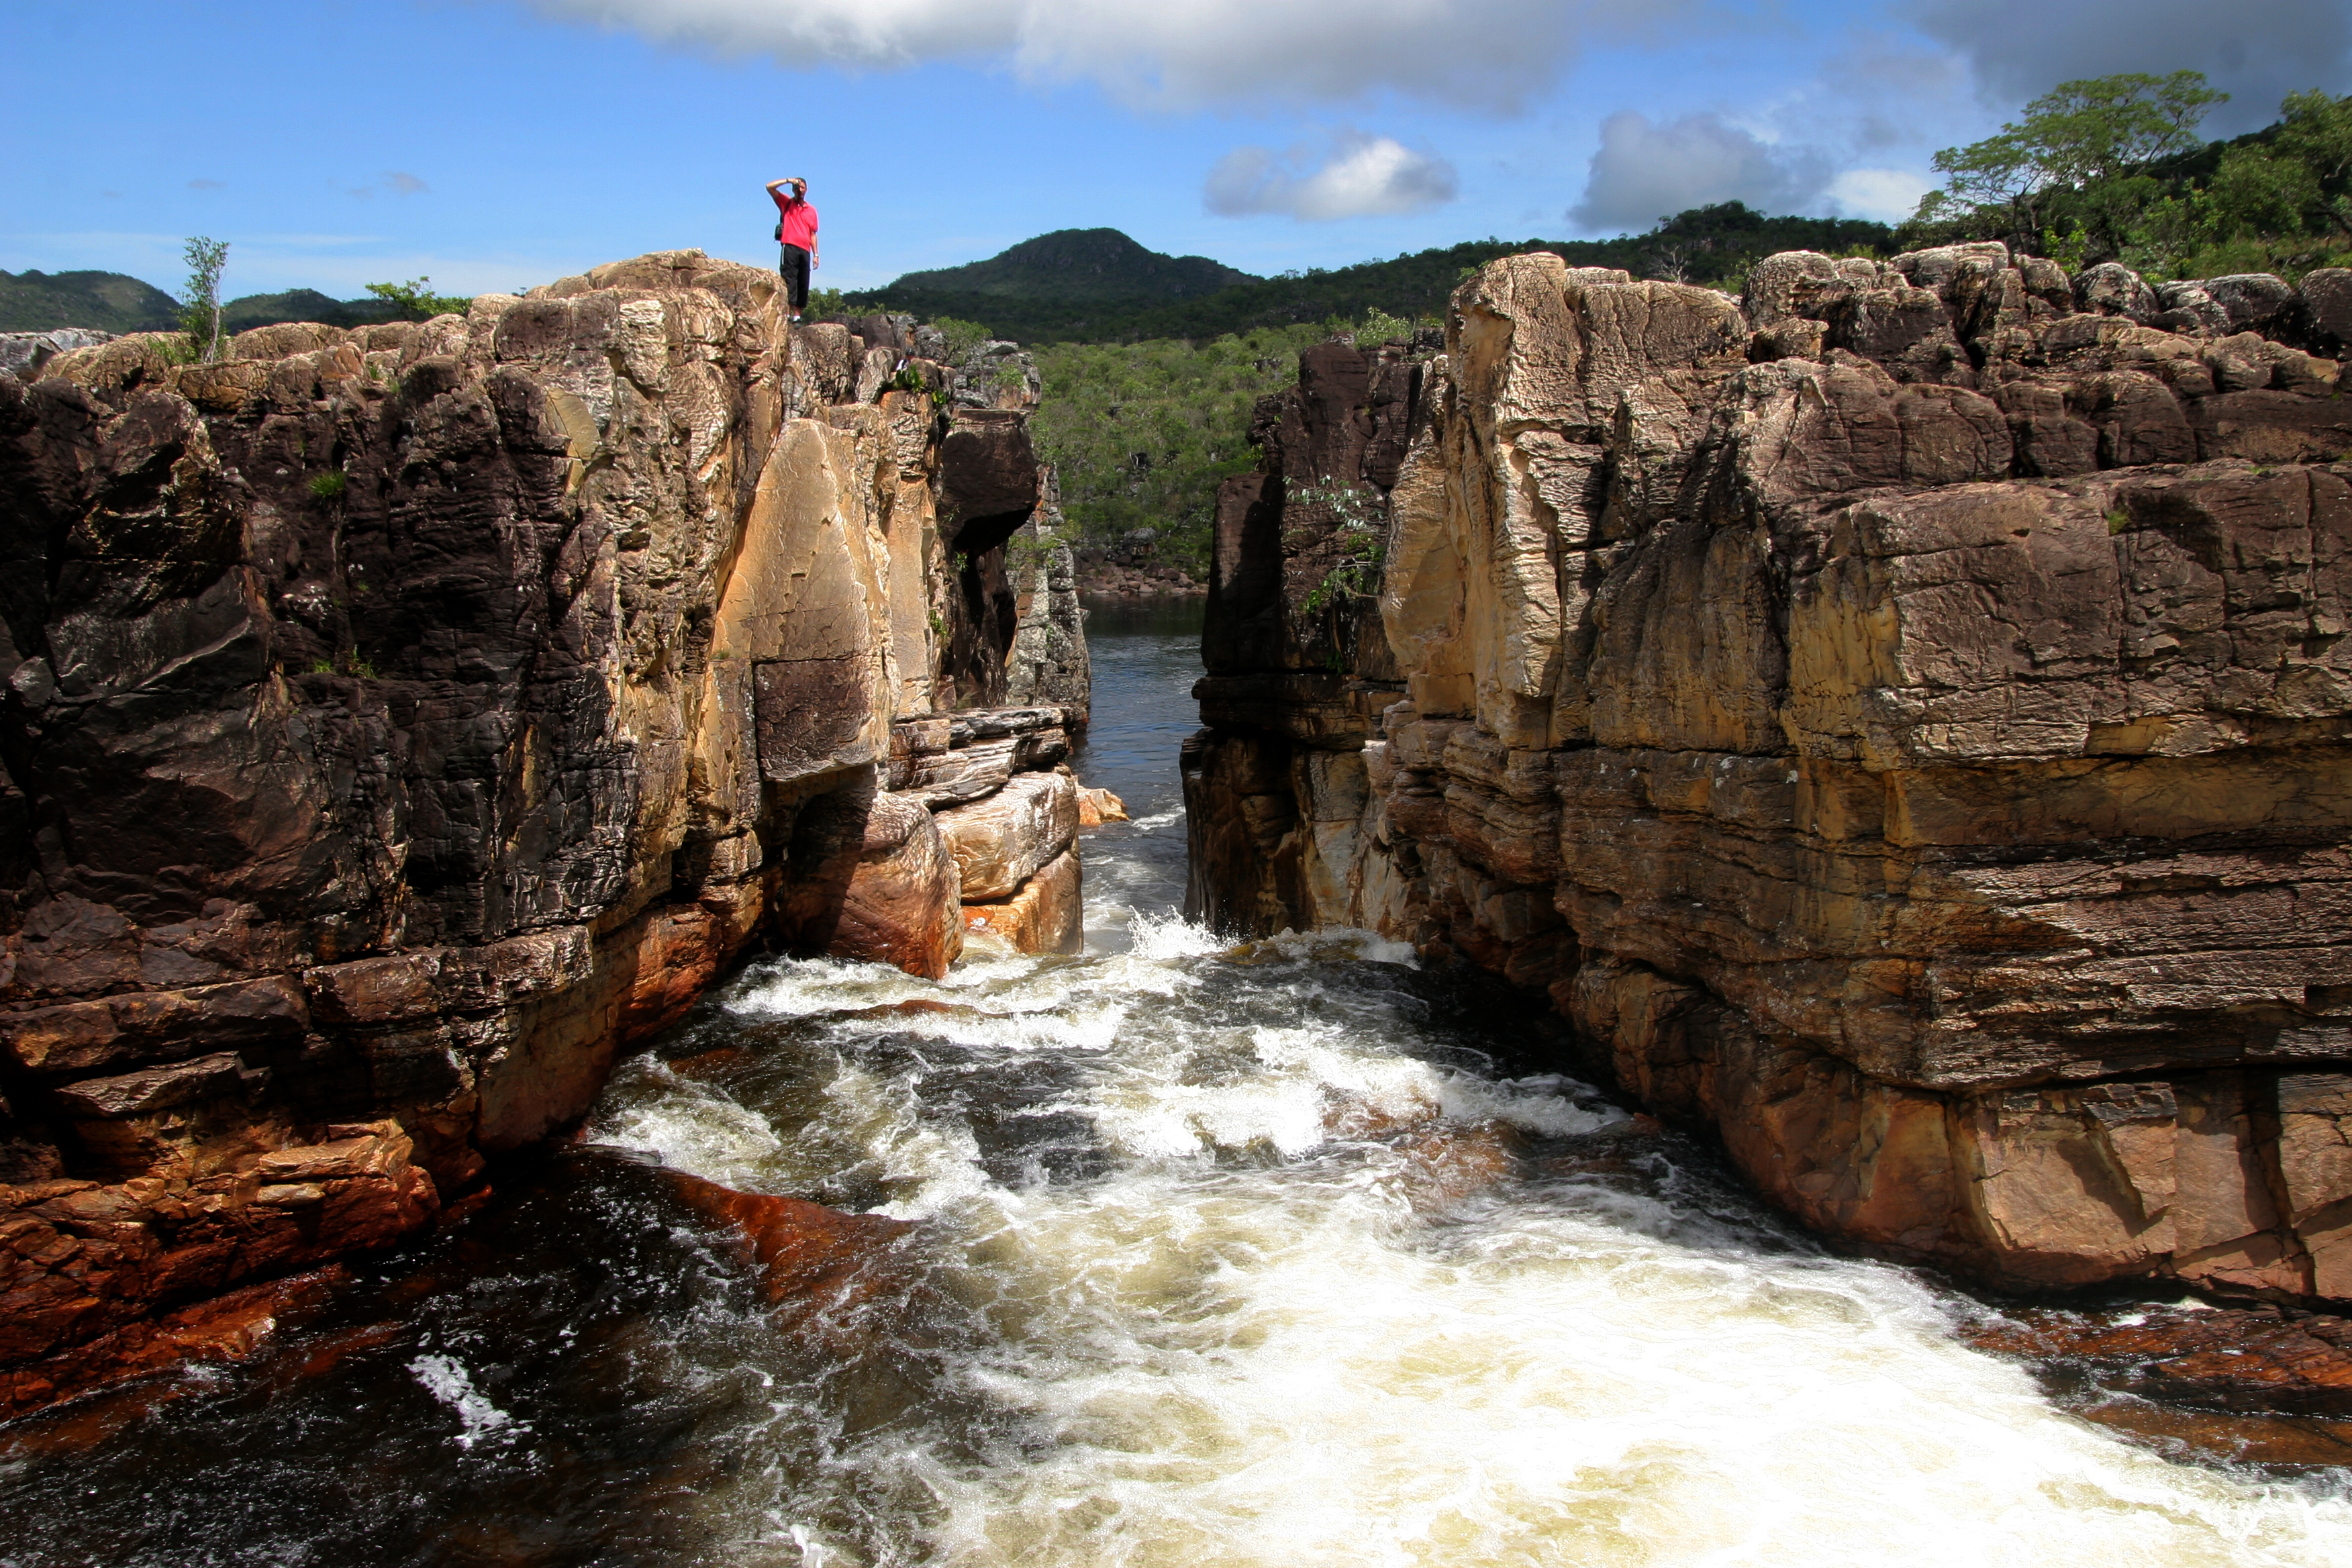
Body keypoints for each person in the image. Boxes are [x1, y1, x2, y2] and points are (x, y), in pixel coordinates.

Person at [766, 176, 819, 324]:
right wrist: (789, 180)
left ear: (806, 189)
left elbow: (813, 233)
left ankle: (797, 316)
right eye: (797, 187)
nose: (799, 190)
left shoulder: (811, 210)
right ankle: (787, 314)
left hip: (805, 249)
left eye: (802, 187)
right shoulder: (787, 203)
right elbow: (769, 187)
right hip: (790, 246)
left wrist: (816, 254)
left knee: (803, 282)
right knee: (789, 279)